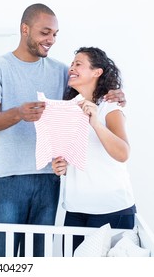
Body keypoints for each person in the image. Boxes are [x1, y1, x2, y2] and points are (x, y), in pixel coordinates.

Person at [0, 3, 126, 257]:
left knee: (40, 259)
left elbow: (92, 85)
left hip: (49, 178)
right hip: (9, 178)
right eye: (45, 33)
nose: (51, 40)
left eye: (55, 34)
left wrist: (115, 93)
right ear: (25, 29)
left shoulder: (61, 71)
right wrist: (19, 113)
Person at [52, 47, 136, 253]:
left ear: (97, 72)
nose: (71, 68)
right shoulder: (70, 109)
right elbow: (79, 155)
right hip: (75, 210)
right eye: (72, 64)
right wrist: (61, 166)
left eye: (78, 64)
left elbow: (123, 153)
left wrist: (96, 123)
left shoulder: (110, 108)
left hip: (111, 209)